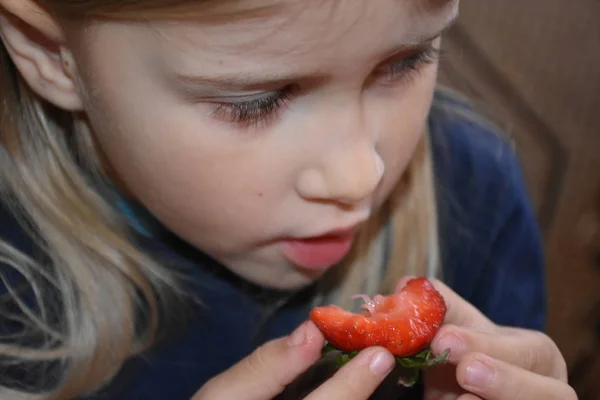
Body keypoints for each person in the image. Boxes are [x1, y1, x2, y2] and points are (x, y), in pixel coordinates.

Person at [0, 0, 576, 399]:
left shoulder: (479, 201)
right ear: (51, 52)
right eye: (257, 100)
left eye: (407, 59)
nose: (359, 175)